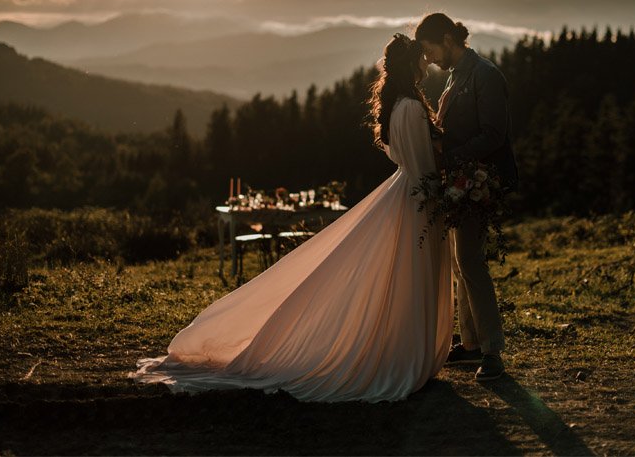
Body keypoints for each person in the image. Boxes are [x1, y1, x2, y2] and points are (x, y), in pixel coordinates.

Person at [130, 34, 454, 403]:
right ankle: (402, 353)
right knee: (408, 274)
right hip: (417, 199)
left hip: (407, 193)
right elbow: (422, 164)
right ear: (410, 65)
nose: (426, 63)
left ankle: (404, 346)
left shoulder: (399, 104)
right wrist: (445, 187)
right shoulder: (410, 107)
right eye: (421, 59)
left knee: (401, 275)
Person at [416, 13, 519, 382]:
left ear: (447, 38)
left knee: (472, 262)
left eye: (430, 50)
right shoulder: (457, 75)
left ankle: (493, 351)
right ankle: (472, 343)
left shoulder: (485, 75)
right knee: (462, 261)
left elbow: (494, 134)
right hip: (462, 179)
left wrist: (452, 157)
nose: (429, 59)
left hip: (480, 180)